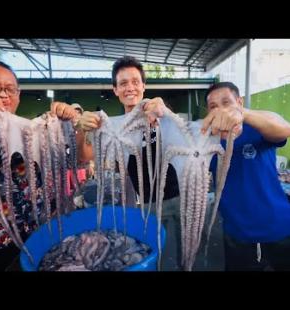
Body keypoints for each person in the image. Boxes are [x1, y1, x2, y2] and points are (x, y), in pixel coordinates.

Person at [76, 56, 181, 270]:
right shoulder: (113, 127)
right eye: (123, 83)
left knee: (172, 259)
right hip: (138, 206)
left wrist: (165, 112)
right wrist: (82, 129)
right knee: (146, 257)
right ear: (115, 90)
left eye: (135, 81)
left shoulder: (161, 116)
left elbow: (183, 136)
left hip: (173, 200)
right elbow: (84, 157)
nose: (130, 88)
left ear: (144, 85)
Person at [0, 60, 78, 271]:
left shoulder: (31, 131)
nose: (4, 94)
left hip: (38, 238)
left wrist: (71, 122)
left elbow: (77, 158)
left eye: (10, 89)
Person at [202, 81, 290, 271]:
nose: (221, 111)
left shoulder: (257, 129)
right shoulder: (207, 143)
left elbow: (284, 127)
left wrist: (243, 115)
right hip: (236, 235)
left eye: (227, 103)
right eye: (213, 107)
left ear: (240, 102)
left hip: (280, 229)